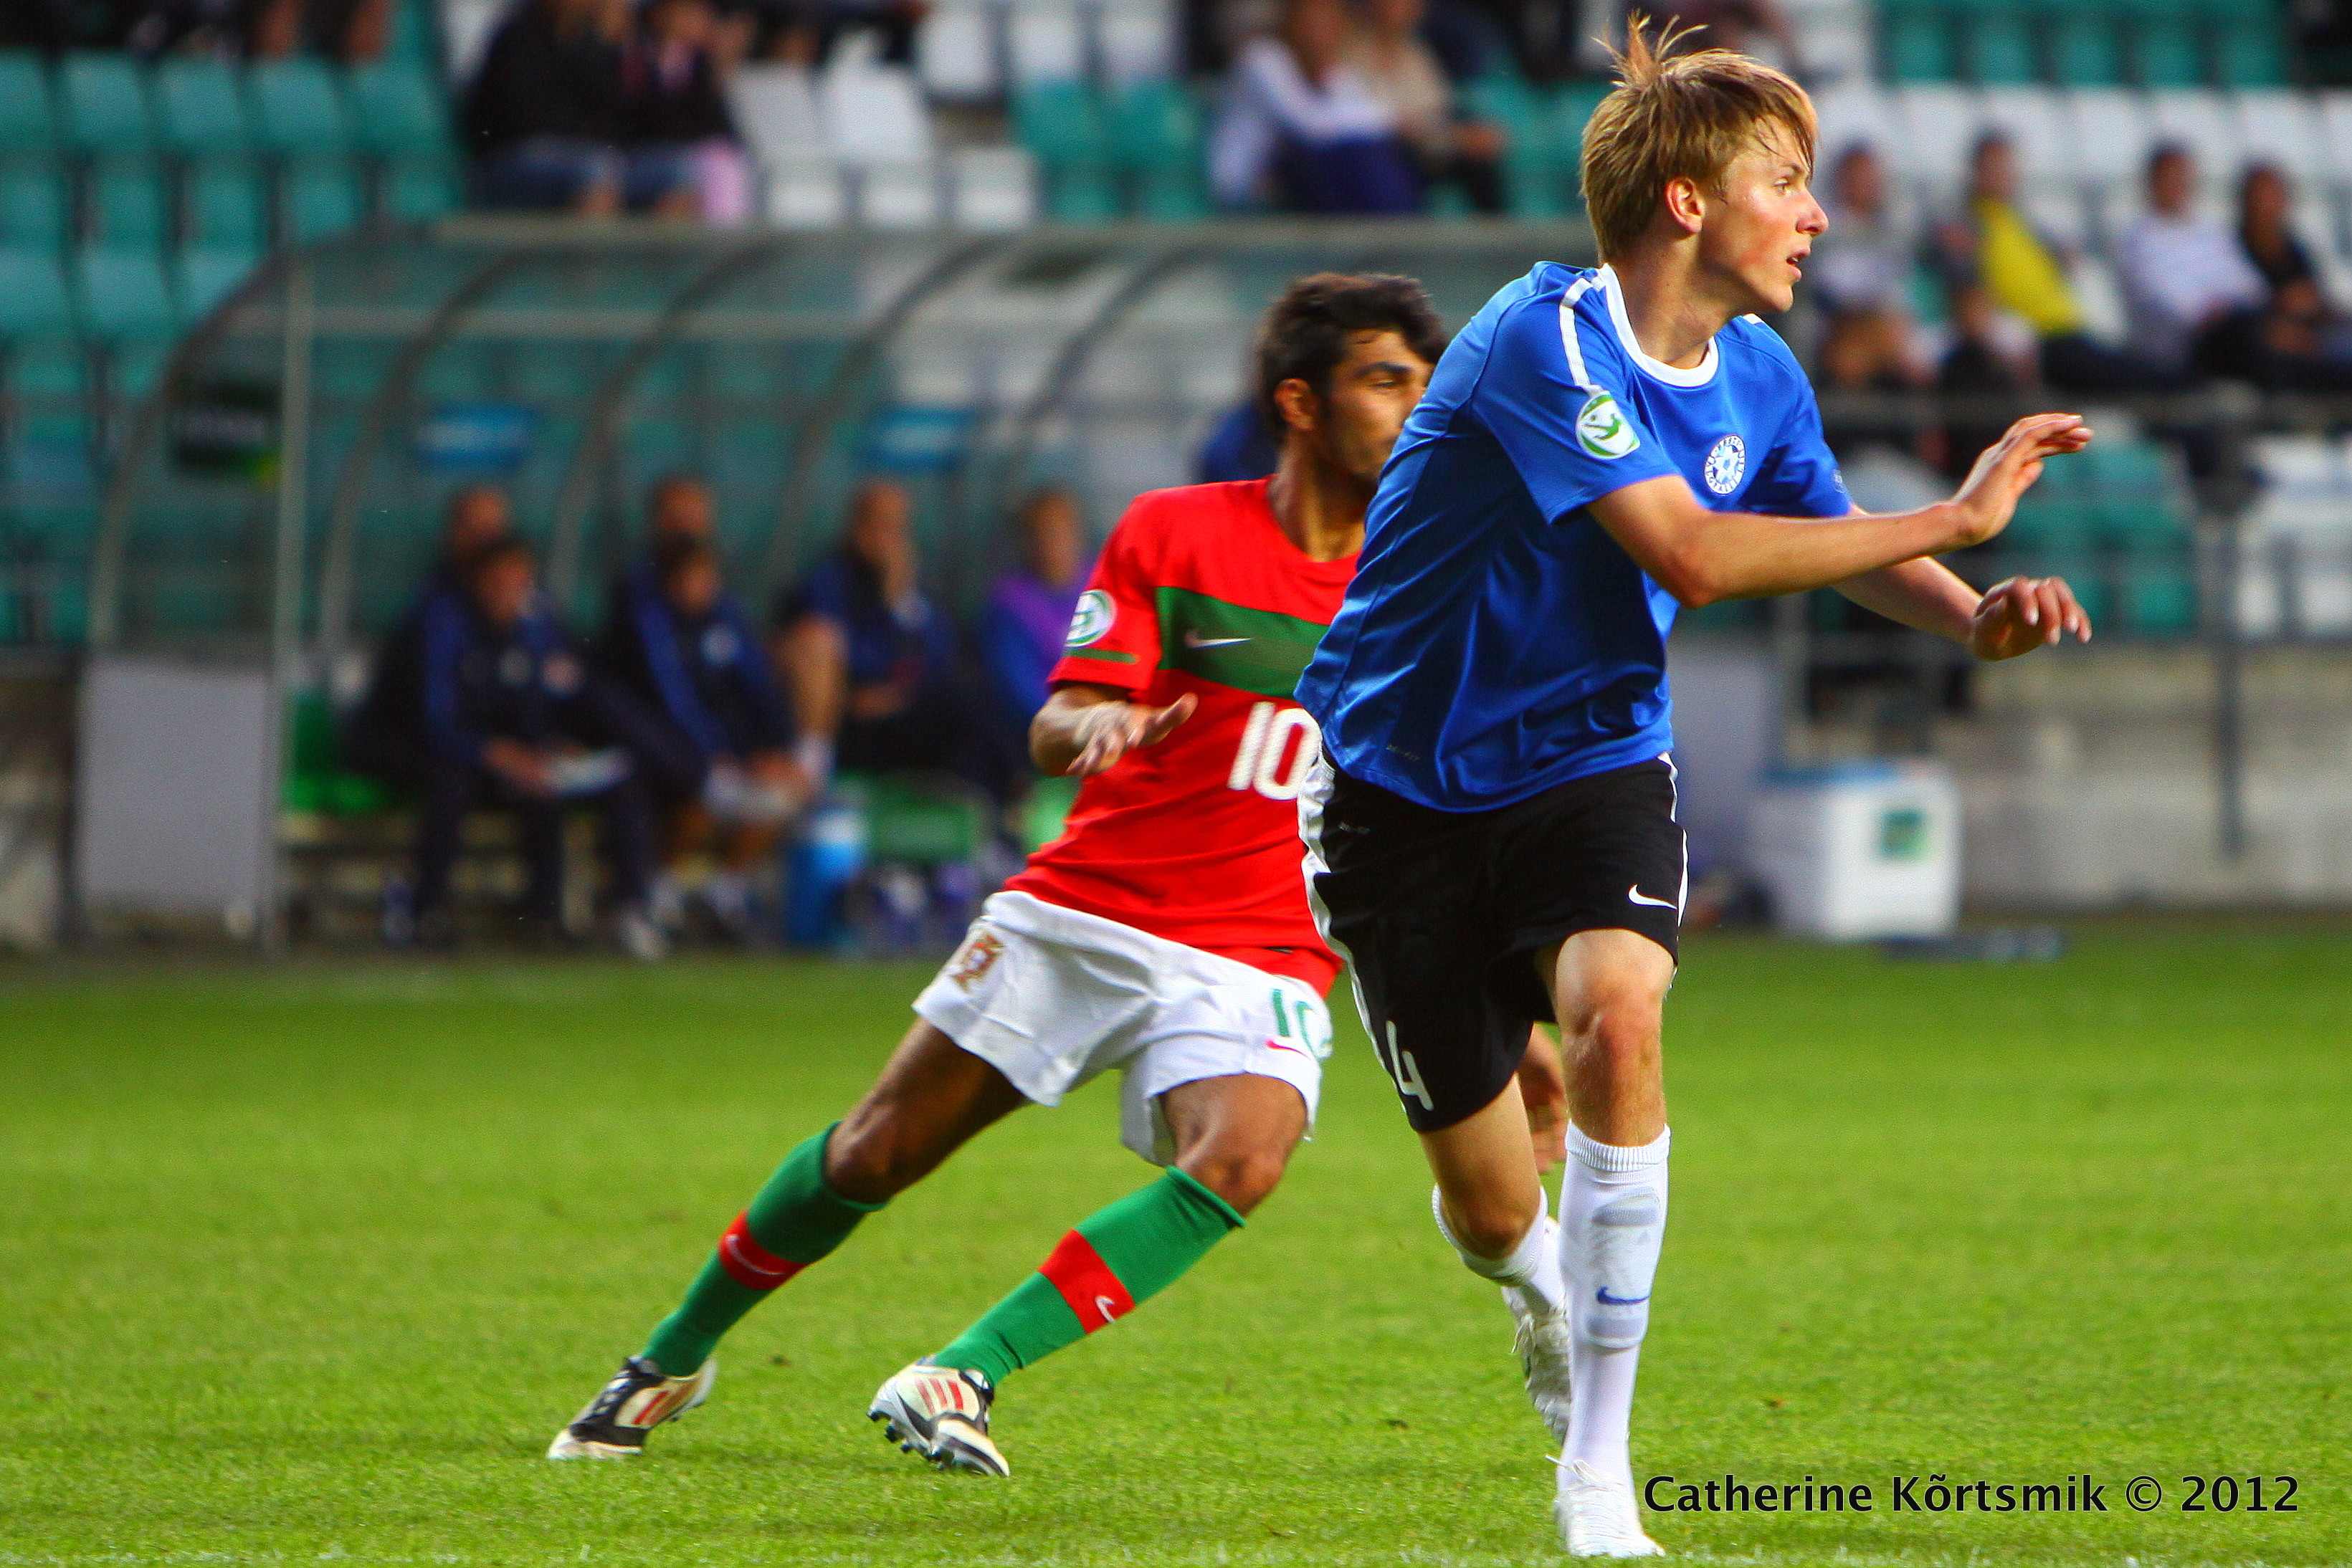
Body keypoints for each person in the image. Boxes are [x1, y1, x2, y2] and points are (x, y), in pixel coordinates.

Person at [1293, 20, 2092, 1557]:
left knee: (1620, 1015)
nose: (1815, 216)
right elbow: (1695, 555)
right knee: (1488, 1211)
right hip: (1396, 788)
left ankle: (1597, 1466)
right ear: (1684, 202)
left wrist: (1964, 614)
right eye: (1783, 183)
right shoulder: (1540, 342)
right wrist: (1958, 515)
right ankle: (1536, 1285)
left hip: (1591, 758)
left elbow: (1824, 532)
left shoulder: (1761, 372)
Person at [546, 273, 1472, 1475]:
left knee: (1245, 1157)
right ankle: (671, 1356)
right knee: (876, 1150)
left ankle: (962, 1372)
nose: (1413, 405)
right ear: (1300, 401)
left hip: (1264, 944)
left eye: (1422, 382)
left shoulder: (1428, 576)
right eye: (1384, 379)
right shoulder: (1175, 531)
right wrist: (1095, 725)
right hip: (1091, 907)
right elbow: (1057, 717)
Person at [351, 536, 663, 956]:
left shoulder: (537, 630)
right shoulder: (444, 626)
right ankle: (424, 909)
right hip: (449, 758)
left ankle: (574, 916)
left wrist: (554, 746)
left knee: (576, 787)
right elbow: (437, 721)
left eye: (519, 582)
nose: (510, 592)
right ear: (478, 582)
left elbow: (552, 700)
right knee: (450, 787)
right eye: (499, 581)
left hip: (518, 762)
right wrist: (498, 754)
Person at [596, 494, 805, 942]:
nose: (701, 586)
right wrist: (716, 760)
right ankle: (660, 894)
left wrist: (778, 749)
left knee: (786, 794)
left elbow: (759, 688)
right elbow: (675, 700)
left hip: (730, 757)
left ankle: (723, 891)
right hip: (674, 757)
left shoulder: (728, 614)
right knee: (700, 804)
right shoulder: (645, 612)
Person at [769, 479, 971, 793]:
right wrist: (869, 690)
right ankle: (812, 781)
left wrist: (899, 603)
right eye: (878, 524)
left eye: (896, 527)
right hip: (849, 717)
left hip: (905, 706)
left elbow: (939, 656)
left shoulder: (908, 585)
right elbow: (845, 656)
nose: (886, 537)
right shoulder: (828, 582)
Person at [1938, 130, 2174, 397]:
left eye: (2006, 167)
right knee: (2144, 379)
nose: (2001, 175)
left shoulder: (2022, 222)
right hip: (2036, 339)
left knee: (2140, 373)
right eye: (1992, 167)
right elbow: (1966, 292)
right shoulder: (1965, 226)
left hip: (2065, 330)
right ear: (1976, 171)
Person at [465, 0, 697, 217]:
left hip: (591, 157)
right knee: (596, 168)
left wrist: (622, 51)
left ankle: (658, 251)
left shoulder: (595, 43)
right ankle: (593, 250)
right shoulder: (518, 37)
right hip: (513, 161)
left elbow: (629, 122)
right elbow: (523, 120)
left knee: (675, 171)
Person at [1209, 0, 1422, 215]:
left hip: (1293, 178)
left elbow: (1356, 115)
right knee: (1353, 155)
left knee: (1372, 152)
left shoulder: (1332, 67)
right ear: (1290, 21)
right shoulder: (1261, 57)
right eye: (1311, 20)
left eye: (1329, 21)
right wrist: (1395, 121)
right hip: (1244, 183)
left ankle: (1396, 224)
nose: (1320, 30)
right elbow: (1310, 125)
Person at [2115, 143, 2267, 377]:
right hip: (2183, 349)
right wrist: (2215, 312)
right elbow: (2167, 301)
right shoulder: (2139, 240)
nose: (2179, 186)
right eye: (2171, 178)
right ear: (2153, 182)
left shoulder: (2210, 232)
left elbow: (2248, 285)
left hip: (2232, 327)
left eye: (2183, 178)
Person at [1346, 0, 1509, 214]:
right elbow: (1372, 118)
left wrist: (1461, 136)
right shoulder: (1352, 51)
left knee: (1480, 159)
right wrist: (1452, 137)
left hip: (1426, 146)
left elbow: (1437, 111)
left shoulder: (1415, 53)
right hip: (1380, 150)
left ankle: (1497, 233)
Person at [978, 489, 1090, 775]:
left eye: (1062, 531)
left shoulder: (1104, 585)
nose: (1054, 543)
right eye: (1043, 534)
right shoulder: (1010, 603)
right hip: (1043, 747)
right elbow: (1022, 695)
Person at [1807, 142, 1928, 393]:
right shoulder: (1825, 225)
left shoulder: (1892, 227)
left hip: (1884, 324)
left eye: (1868, 177)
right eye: (1855, 177)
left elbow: (1900, 284)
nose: (1862, 184)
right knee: (1849, 357)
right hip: (1839, 323)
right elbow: (1831, 285)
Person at [625, 0, 754, 224]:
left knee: (724, 161)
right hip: (646, 151)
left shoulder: (700, 64)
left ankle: (725, 237)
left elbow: (718, 127)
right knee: (689, 170)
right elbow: (640, 119)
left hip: (693, 153)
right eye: (687, 13)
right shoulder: (639, 58)